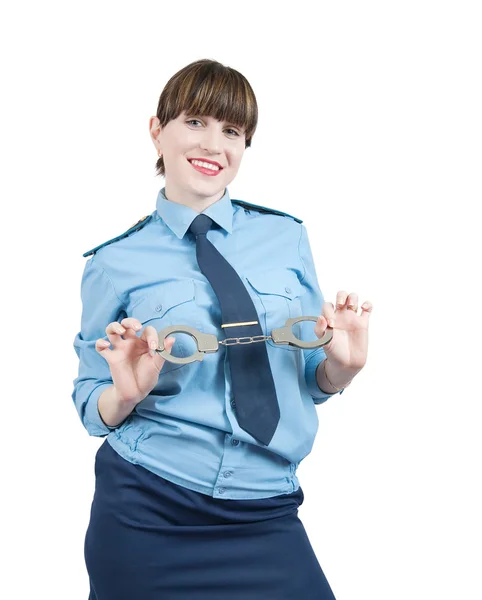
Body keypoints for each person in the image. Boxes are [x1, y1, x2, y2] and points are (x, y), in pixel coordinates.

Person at [72, 58, 372, 600]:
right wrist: (124, 393)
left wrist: (340, 369)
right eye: (195, 123)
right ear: (157, 131)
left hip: (267, 507)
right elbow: (90, 398)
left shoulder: (287, 237)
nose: (214, 144)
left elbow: (305, 375)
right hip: (148, 508)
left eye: (232, 131)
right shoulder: (113, 262)